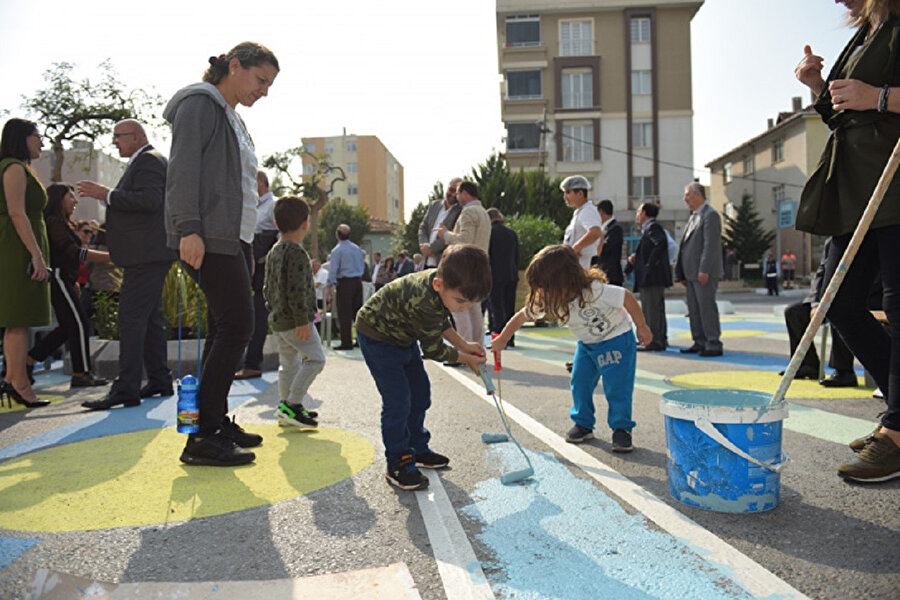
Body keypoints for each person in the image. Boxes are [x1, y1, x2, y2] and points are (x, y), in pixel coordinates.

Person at [794, 0, 900, 482]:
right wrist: (819, 87)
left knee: (897, 307)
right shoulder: (864, 34)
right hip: (854, 189)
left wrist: (876, 97)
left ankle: (896, 432)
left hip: (893, 184)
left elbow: (870, 101)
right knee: (839, 304)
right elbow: (843, 113)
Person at [164, 42, 279, 467]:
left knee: (224, 325)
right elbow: (182, 170)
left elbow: (242, 190)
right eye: (260, 80)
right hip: (206, 235)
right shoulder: (201, 104)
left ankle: (212, 421)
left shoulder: (232, 117)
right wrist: (188, 228)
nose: (264, 91)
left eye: (269, 84)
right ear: (235, 66)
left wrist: (245, 244)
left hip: (231, 238)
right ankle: (202, 436)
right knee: (238, 324)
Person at [356, 244, 491, 490]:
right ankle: (398, 460)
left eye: (470, 304)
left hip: (403, 335)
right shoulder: (424, 300)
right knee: (398, 399)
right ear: (439, 285)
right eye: (460, 301)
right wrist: (466, 358)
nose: (463, 308)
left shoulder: (440, 289)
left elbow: (440, 323)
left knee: (420, 394)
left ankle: (417, 447)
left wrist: (464, 344)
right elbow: (434, 350)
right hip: (378, 337)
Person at [491, 245, 652, 451]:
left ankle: (621, 428)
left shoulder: (595, 291)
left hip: (616, 340)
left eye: (545, 287)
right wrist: (503, 339)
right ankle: (583, 423)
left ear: (565, 281)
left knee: (617, 386)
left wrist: (642, 326)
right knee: (580, 381)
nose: (541, 293)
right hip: (587, 345)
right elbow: (521, 316)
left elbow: (626, 297)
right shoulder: (549, 298)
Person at [77, 119, 175, 410]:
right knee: (150, 320)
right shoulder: (148, 160)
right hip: (148, 254)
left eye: (118, 136)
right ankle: (158, 378)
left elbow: (149, 200)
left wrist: (104, 194)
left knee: (131, 320)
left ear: (136, 136)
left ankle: (126, 388)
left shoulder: (148, 161)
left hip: (146, 255)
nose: (114, 142)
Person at [25, 183, 110, 389]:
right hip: (58, 278)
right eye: (70, 197)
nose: (75, 202)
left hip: (65, 279)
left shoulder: (62, 223)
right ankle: (81, 374)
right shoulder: (53, 222)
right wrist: (110, 257)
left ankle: (28, 360)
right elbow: (73, 252)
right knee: (79, 322)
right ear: (58, 199)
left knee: (68, 326)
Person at [0, 119, 52, 408]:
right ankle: (18, 382)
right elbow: (17, 213)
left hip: (18, 246)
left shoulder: (18, 166)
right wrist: (36, 255)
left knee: (16, 321)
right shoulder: (14, 167)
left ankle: (12, 378)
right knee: (17, 320)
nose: (41, 143)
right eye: (37, 137)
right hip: (16, 249)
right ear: (22, 138)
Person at [262, 195, 322, 429]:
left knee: (289, 364)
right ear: (306, 224)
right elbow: (296, 290)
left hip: (278, 320)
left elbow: (267, 287)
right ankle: (294, 404)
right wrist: (302, 320)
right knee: (316, 359)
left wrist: (273, 310)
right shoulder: (297, 253)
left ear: (276, 224)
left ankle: (285, 407)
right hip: (296, 321)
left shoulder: (274, 251)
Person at [781, 239, 857, 385]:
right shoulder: (832, 242)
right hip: (827, 299)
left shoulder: (869, 237)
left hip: (856, 298)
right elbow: (821, 273)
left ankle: (844, 371)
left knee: (839, 311)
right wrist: (815, 303)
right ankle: (807, 365)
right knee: (793, 313)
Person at [234, 170, 279, 380]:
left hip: (263, 266)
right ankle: (240, 361)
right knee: (242, 311)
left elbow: (281, 237)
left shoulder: (274, 205)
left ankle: (253, 363)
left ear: (261, 181)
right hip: (247, 261)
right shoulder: (251, 205)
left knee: (260, 314)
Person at [438, 180, 491, 346]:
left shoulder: (468, 212)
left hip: (464, 267)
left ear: (465, 194)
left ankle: (464, 350)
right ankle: (477, 347)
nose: (456, 196)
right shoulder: (483, 212)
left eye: (458, 193)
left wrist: (446, 235)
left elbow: (465, 239)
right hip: (480, 266)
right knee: (474, 310)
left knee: (459, 308)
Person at [675, 182, 724, 357]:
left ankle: (713, 342)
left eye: (687, 194)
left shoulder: (710, 215)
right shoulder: (694, 216)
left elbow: (710, 245)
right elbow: (685, 247)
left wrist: (704, 269)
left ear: (697, 195)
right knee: (694, 310)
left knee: (706, 307)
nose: (685, 198)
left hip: (703, 273)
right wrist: (681, 272)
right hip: (690, 274)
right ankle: (699, 341)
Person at [626, 202, 672, 351]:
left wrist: (649, 265)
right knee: (654, 309)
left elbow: (660, 243)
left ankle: (654, 341)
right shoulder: (648, 229)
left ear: (645, 213)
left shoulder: (653, 227)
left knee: (651, 310)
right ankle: (660, 339)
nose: (637, 215)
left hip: (652, 277)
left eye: (639, 212)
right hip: (652, 277)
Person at [326, 223, 366, 350]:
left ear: (337, 235)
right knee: (357, 313)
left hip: (344, 283)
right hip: (357, 282)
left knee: (344, 313)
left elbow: (333, 269)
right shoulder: (357, 249)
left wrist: (329, 285)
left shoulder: (337, 250)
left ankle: (346, 342)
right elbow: (362, 266)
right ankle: (360, 341)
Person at [486, 208, 519, 347]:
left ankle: (500, 338)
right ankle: (510, 339)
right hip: (511, 274)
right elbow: (517, 255)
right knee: (509, 307)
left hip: (495, 275)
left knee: (497, 308)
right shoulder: (512, 233)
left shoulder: (489, 233)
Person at [560, 175, 604, 271]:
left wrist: (575, 248)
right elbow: (600, 236)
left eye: (568, 192)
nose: (565, 197)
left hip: (584, 268)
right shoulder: (580, 212)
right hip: (579, 267)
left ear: (580, 193)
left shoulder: (587, 211)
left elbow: (595, 232)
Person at [418, 177, 462, 268]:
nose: (453, 195)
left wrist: (432, 248)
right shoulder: (434, 205)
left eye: (457, 192)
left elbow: (453, 234)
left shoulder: (460, 211)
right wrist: (424, 245)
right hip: (425, 263)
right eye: (452, 190)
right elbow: (423, 227)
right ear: (447, 188)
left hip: (442, 263)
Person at [594, 199, 624, 286]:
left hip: (611, 276)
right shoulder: (603, 228)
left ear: (601, 212)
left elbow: (606, 248)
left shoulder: (615, 228)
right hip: (603, 274)